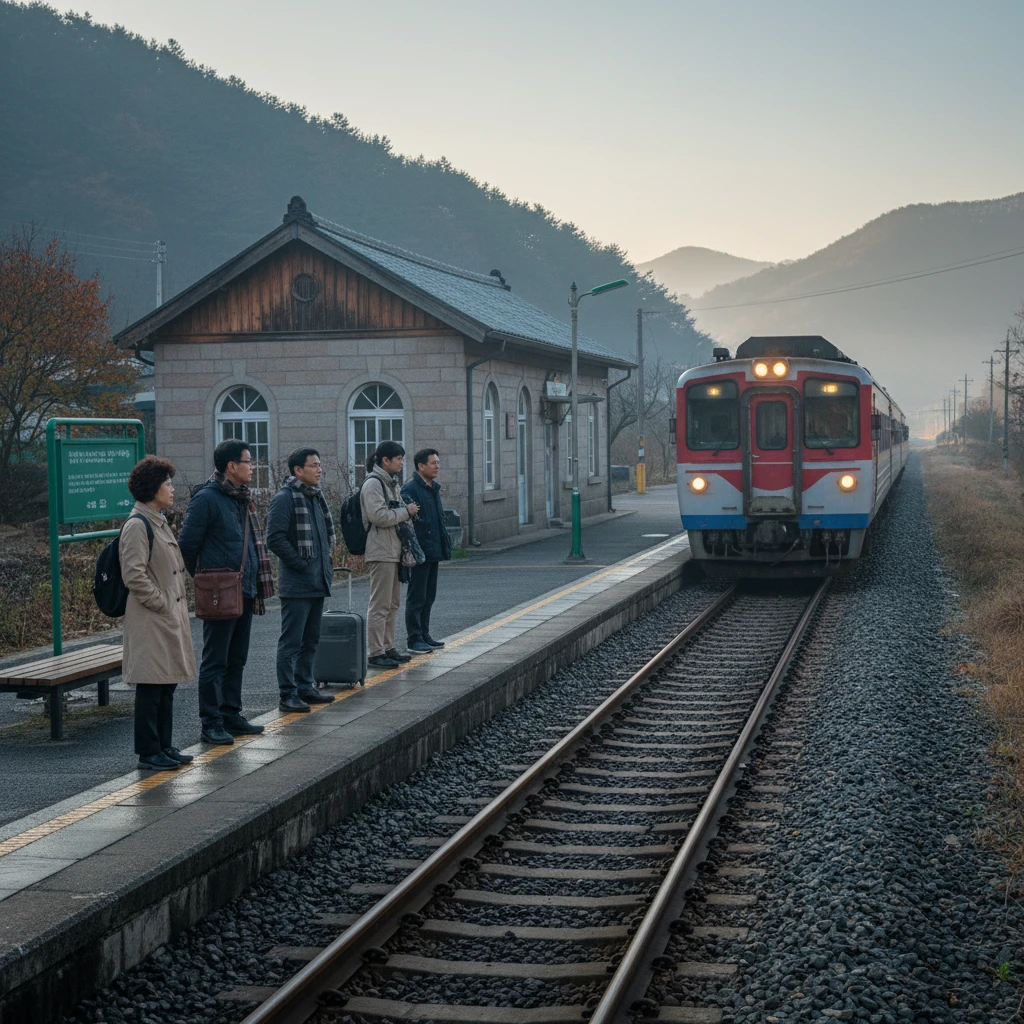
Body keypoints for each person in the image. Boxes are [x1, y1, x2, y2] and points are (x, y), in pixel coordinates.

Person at [177, 439, 275, 744]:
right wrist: (207, 580)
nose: (252, 467)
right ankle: (211, 722)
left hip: (244, 588)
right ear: (231, 466)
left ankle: (231, 713)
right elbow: (187, 546)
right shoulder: (207, 498)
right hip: (220, 591)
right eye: (247, 462)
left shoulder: (241, 497)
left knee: (237, 657)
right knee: (215, 659)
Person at [119, 456, 197, 770]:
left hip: (165, 617)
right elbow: (133, 574)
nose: (172, 489)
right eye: (167, 483)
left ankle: (164, 745)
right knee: (151, 686)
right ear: (153, 488)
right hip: (152, 618)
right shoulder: (138, 525)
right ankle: (148, 751)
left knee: (166, 684)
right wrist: (160, 603)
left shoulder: (157, 520)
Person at [266, 447, 336, 712]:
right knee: (291, 642)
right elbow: (274, 537)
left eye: (320, 464)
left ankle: (305, 686)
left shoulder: (315, 497)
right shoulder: (285, 498)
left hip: (317, 581)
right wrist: (299, 564)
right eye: (314, 465)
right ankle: (287, 694)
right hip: (297, 584)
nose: (320, 470)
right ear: (298, 470)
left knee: (311, 640)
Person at [360, 440, 420, 669]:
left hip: (394, 550)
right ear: (385, 460)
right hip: (381, 550)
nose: (401, 463)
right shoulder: (373, 483)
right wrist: (407, 511)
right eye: (398, 459)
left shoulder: (390, 482)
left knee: (393, 603)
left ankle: (388, 647)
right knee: (380, 604)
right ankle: (375, 652)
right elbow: (379, 516)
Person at [401, 448, 451, 654]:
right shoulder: (411, 489)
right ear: (421, 466)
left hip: (434, 550)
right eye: (433, 463)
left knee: (429, 595)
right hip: (419, 552)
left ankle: (425, 633)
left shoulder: (433, 488)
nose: (437, 466)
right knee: (417, 596)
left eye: (438, 462)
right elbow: (411, 523)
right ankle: (414, 638)